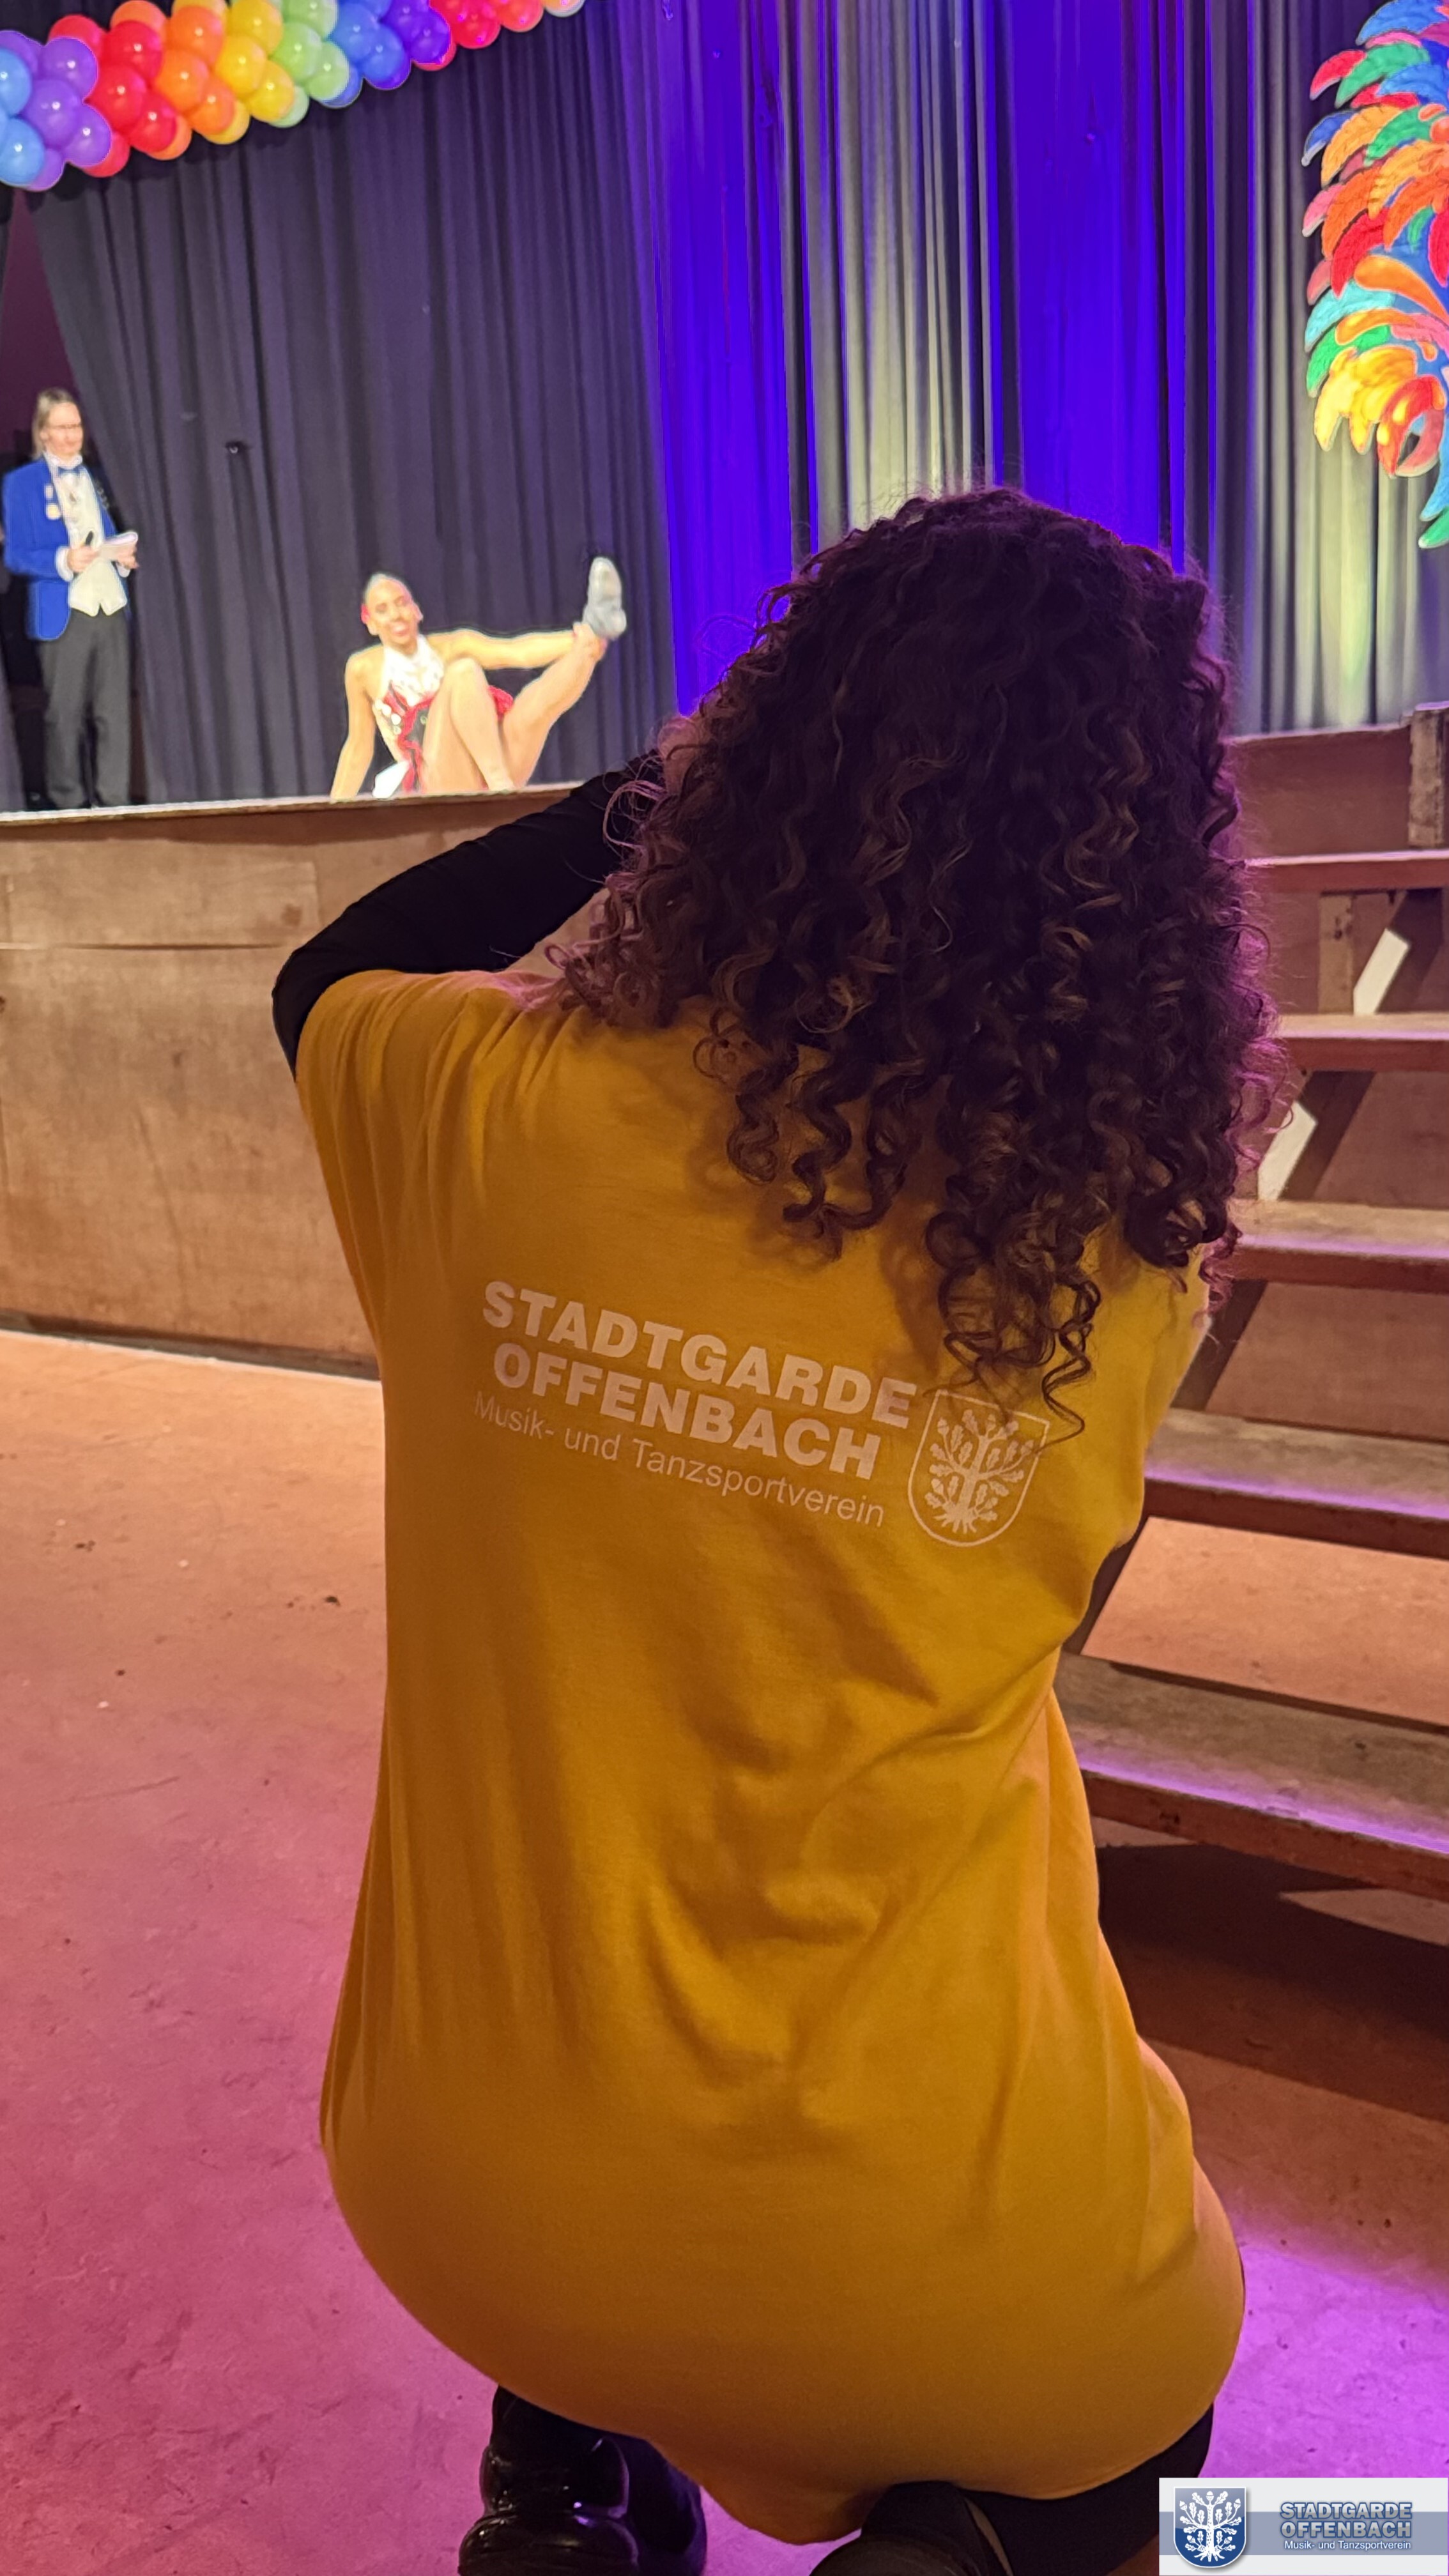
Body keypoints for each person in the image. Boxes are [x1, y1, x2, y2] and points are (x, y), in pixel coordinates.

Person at [273, 491, 1281, 2576]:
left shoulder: (478, 1115)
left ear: (749, 776)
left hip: (451, 2194)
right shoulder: (1116, 1273)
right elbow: (1048, 1619)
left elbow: (329, 975)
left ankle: (557, 2487)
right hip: (909, 2254)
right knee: (1228, 2479)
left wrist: (661, 793)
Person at [329, 560, 626, 801]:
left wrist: (578, 640)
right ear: (370, 622)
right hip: (435, 782)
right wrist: (330, 815)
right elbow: (358, 747)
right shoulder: (364, 669)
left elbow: (517, 651)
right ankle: (500, 791)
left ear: (417, 610)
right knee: (463, 672)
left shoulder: (454, 645)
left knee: (531, 708)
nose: (396, 615)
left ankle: (596, 629)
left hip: (490, 767)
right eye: (383, 610)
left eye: (402, 603)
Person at [1, 388, 136, 809]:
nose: (71, 435)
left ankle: (115, 803)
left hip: (109, 605)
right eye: (61, 427)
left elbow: (111, 532)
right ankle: (69, 805)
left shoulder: (99, 477)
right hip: (63, 611)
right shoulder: (22, 484)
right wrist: (62, 559)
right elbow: (16, 554)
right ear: (43, 432)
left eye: (76, 426)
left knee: (114, 714)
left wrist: (122, 557)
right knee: (64, 715)